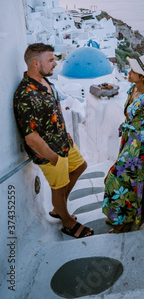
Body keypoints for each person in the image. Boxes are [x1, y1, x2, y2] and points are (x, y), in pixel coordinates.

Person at [13, 43, 94, 239]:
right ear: (35, 63)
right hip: (49, 151)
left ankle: (60, 208)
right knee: (58, 187)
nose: (55, 63)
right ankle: (67, 222)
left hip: (64, 142)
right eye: (50, 60)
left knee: (80, 166)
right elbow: (31, 137)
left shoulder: (45, 82)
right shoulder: (25, 95)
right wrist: (54, 158)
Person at [103, 54, 144, 233]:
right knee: (127, 182)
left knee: (115, 179)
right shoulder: (133, 90)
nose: (129, 73)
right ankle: (119, 217)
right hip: (128, 138)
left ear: (142, 77)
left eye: (133, 71)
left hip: (137, 143)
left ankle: (123, 221)